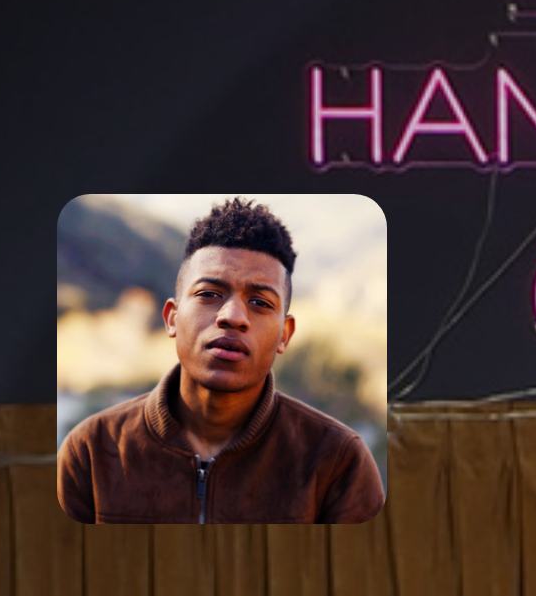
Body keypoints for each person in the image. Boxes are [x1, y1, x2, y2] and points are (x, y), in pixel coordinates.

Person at [57, 198, 384, 523]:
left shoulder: (338, 461)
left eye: (260, 302)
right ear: (172, 318)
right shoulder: (92, 451)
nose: (233, 316)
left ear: (285, 335)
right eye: (209, 294)